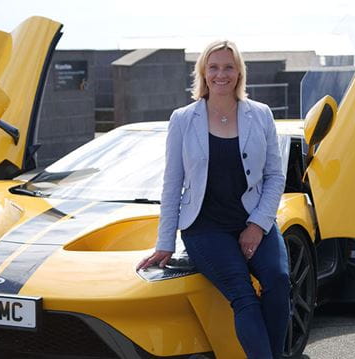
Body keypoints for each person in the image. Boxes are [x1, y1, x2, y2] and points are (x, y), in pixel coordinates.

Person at [137, 40, 290, 359]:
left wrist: (258, 225)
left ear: (239, 73)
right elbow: (172, 183)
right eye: (214, 67)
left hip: (253, 220)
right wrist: (165, 242)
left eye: (229, 67)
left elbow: (275, 176)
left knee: (278, 282)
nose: (222, 74)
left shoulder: (260, 115)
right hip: (206, 228)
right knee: (244, 296)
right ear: (203, 73)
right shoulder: (183, 119)